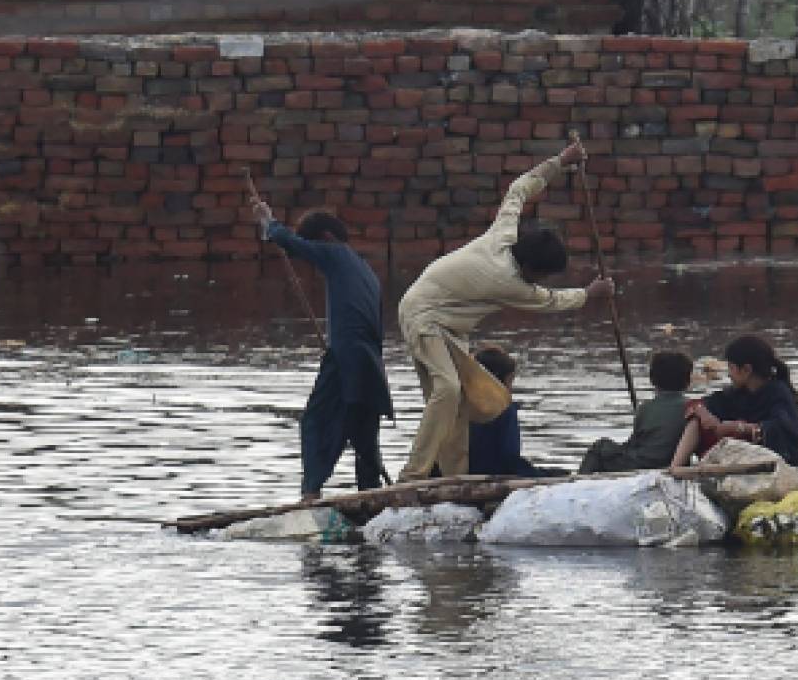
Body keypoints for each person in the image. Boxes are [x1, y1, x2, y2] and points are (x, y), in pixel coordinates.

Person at [395, 143, 614, 481]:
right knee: (448, 390)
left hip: (448, 325)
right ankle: (413, 473)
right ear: (528, 266)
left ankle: (453, 474)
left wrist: (559, 163)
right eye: (540, 274)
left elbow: (518, 190)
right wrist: (589, 294)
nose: (539, 281)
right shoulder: (507, 281)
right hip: (423, 315)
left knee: (459, 402)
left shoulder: (504, 234)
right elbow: (550, 301)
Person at [252, 204, 394, 499]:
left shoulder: (336, 254)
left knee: (315, 422)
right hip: (370, 365)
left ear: (326, 238)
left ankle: (310, 495)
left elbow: (292, 242)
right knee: (364, 439)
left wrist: (270, 224)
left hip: (347, 358)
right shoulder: (366, 270)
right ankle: (371, 498)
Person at [668, 335, 798, 468]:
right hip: (746, 460)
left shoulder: (780, 394)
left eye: (731, 368)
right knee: (696, 421)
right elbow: (698, 404)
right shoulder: (737, 394)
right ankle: (675, 468)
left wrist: (740, 428)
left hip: (780, 464)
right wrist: (704, 414)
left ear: (746, 370)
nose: (729, 374)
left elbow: (781, 431)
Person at [578, 351, 694, 474]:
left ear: (652, 379)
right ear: (688, 381)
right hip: (671, 464)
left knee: (600, 447)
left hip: (642, 465)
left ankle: (577, 483)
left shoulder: (646, 408)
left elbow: (633, 445)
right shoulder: (695, 408)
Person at [466, 347, 565, 477]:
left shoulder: (458, 406)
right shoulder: (504, 409)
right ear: (504, 380)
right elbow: (510, 458)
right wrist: (540, 474)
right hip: (493, 476)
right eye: (511, 380)